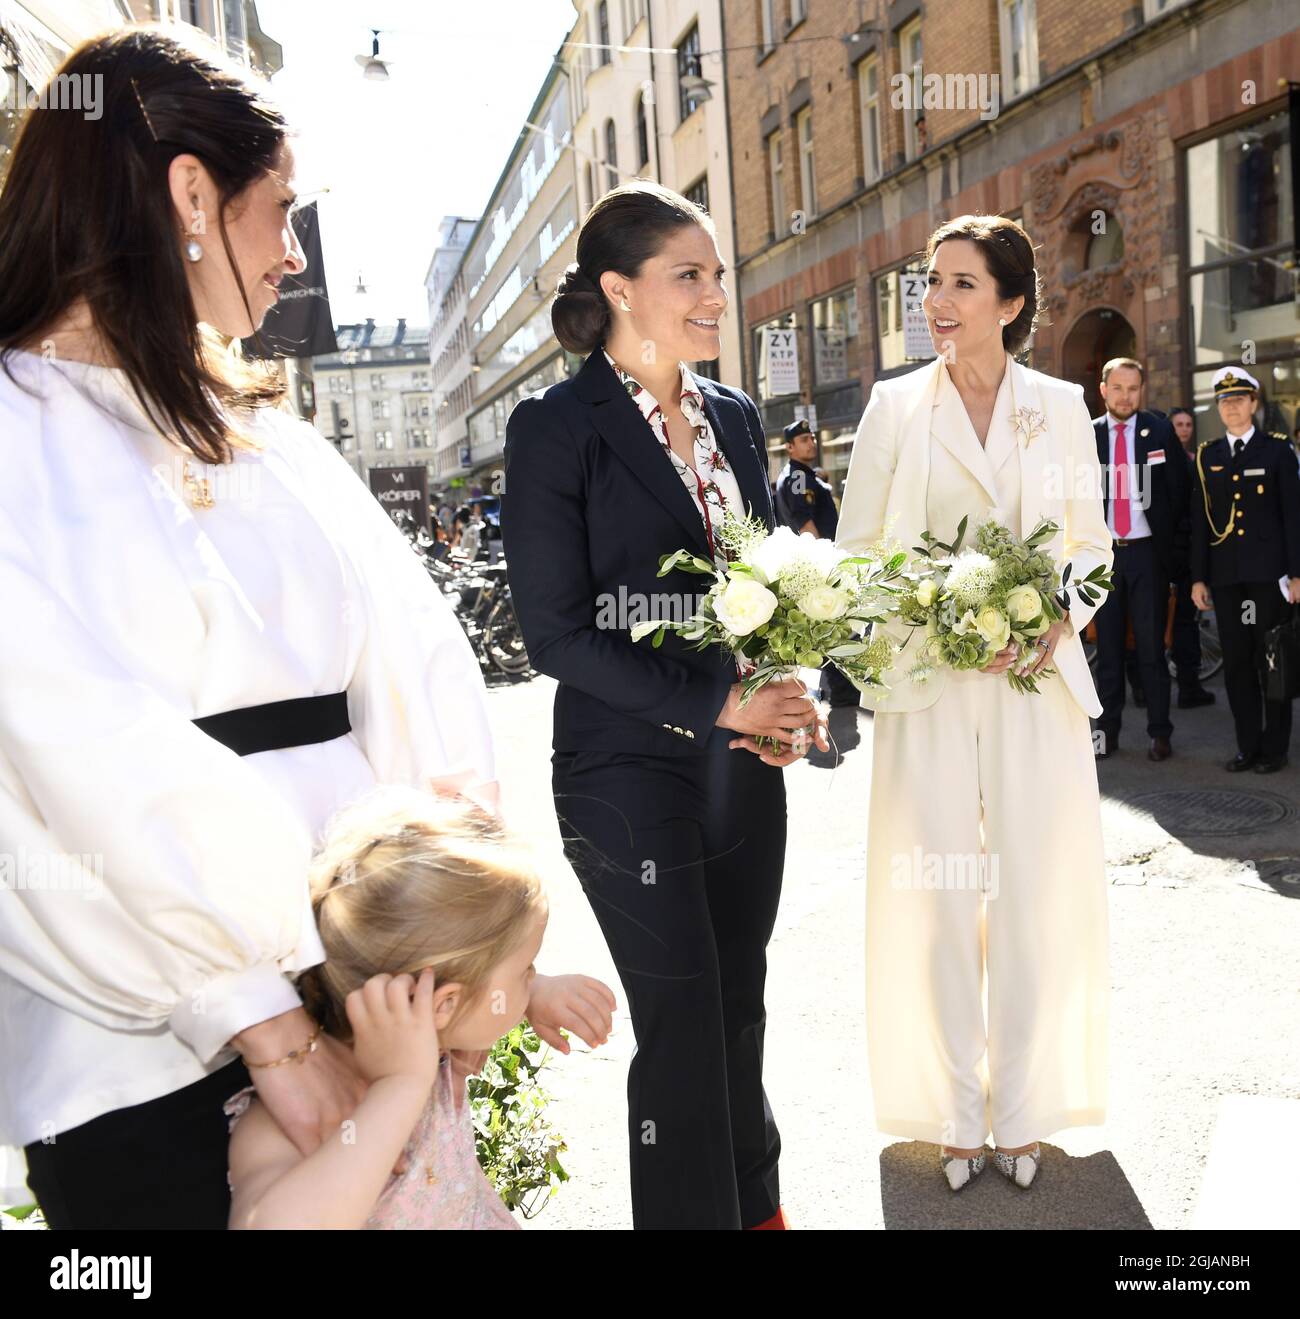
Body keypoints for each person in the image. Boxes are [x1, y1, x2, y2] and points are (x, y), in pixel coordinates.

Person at [0, 28, 497, 1229]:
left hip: (360, 990)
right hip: (134, 1047)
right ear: (188, 193)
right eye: (279, 208)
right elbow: (58, 757)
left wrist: (462, 940)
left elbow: (414, 662)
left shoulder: (270, 435)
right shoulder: (14, 433)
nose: (290, 254)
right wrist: (258, 1017)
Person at [502, 180, 827, 1230]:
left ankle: (758, 1207)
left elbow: (764, 575)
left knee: (738, 1002)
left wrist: (784, 691)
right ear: (619, 290)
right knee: (681, 1019)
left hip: (740, 762)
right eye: (688, 275)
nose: (715, 294)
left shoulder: (732, 412)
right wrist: (721, 701)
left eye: (717, 274)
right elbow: (553, 632)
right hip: (620, 768)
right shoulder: (557, 425)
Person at [836, 213, 1113, 1192]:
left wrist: (1051, 620)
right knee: (939, 898)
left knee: (1034, 893)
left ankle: (1026, 1108)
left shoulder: (1060, 407)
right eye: (932, 281)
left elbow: (1090, 545)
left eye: (959, 283)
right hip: (930, 687)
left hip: (1036, 683)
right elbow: (859, 554)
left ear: (1010, 301)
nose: (937, 302)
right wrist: (926, 617)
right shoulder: (892, 409)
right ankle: (955, 1115)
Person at [226, 786, 615, 1229]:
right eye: (526, 968)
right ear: (444, 1004)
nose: (530, 980)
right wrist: (398, 1087)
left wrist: (532, 992)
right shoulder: (294, 1116)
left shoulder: (441, 1049)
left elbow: (478, 996)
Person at [1190, 366, 1300, 773]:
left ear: (1254, 404)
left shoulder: (1276, 451)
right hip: (1227, 578)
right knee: (1236, 664)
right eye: (1224, 401)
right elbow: (1200, 521)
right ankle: (1247, 746)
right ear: (1218, 408)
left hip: (1269, 577)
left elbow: (1293, 516)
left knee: (1270, 659)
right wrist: (1198, 577)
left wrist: (1297, 573)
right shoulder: (1208, 456)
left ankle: (1275, 748)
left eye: (1239, 399)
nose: (1231, 407)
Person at [1089, 358, 1190, 760]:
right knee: (1108, 650)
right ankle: (1106, 732)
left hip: (1148, 554)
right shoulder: (1087, 434)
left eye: (1133, 389)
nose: (1125, 396)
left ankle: (1160, 732)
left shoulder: (1160, 430)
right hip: (1103, 557)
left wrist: (1175, 557)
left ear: (1141, 390)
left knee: (1151, 648)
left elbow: (1179, 495)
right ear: (1104, 390)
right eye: (1118, 388)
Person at [774, 418, 861, 712]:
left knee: (832, 628)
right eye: (803, 440)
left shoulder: (804, 474)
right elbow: (804, 522)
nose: (811, 442)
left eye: (812, 437)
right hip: (819, 563)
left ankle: (839, 690)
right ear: (789, 447)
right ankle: (842, 693)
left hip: (820, 560)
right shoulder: (797, 477)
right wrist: (824, 564)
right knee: (833, 627)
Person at [1166, 407, 1214, 706]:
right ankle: (1188, 686)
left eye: (1188, 425)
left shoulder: (1194, 459)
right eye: (1178, 425)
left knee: (1183, 620)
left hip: (1184, 550)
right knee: (1183, 621)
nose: (1184, 429)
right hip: (1179, 553)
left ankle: (1188, 683)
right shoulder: (1174, 461)